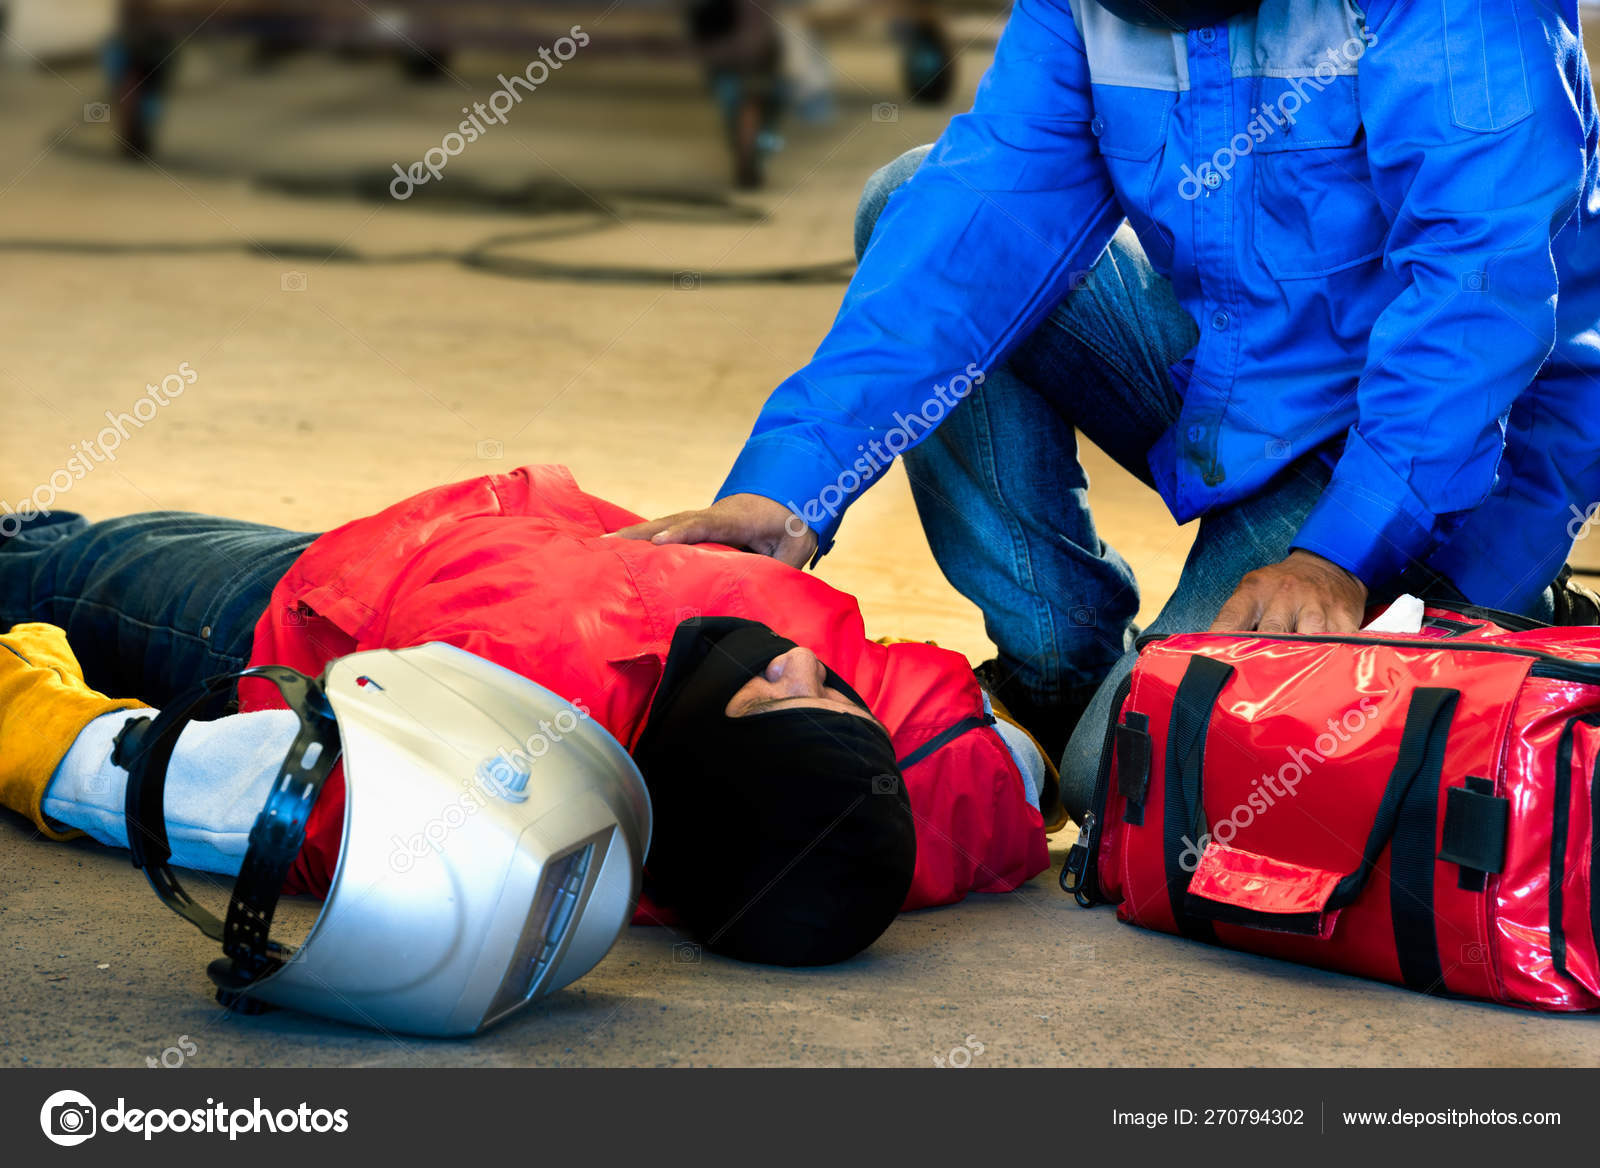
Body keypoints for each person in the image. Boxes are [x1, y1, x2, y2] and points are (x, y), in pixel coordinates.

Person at [618, 0, 1600, 817]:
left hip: (1456, 440)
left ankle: (1479, 610)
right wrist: (791, 483)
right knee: (915, 197)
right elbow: (981, 222)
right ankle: (1055, 669)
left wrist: (1338, 559)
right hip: (1250, 379)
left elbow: (1479, 305)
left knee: (1117, 780)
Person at [0, 464, 1056, 966]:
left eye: (776, 700)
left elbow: (255, 795)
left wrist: (43, 724)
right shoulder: (900, 789)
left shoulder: (499, 751)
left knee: (66, 566)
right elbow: (997, 769)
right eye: (836, 696)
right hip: (473, 553)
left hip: (292, 620)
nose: (800, 663)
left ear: (695, 776)